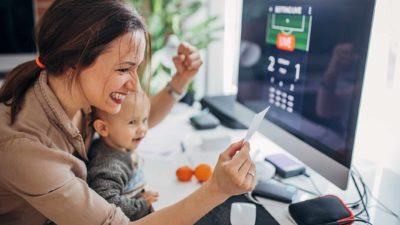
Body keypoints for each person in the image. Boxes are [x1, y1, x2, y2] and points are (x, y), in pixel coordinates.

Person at [0, 1, 256, 225]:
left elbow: (128, 121)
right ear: (72, 64)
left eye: (136, 69)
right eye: (123, 69)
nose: (134, 84)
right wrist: (217, 189)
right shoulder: (25, 147)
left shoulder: (73, 89)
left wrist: (179, 82)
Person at [87, 91, 158, 221]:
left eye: (144, 120)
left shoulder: (118, 145)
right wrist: (141, 205)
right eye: (132, 122)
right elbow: (108, 204)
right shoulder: (109, 165)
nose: (142, 129)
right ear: (103, 128)